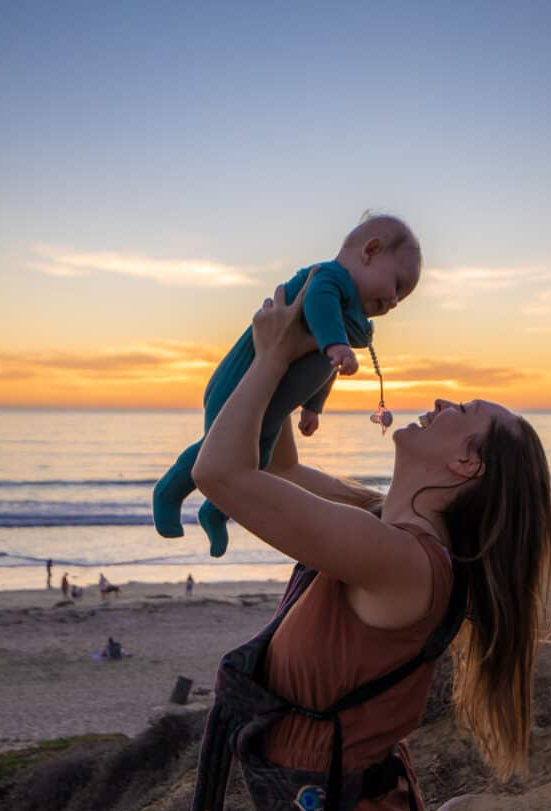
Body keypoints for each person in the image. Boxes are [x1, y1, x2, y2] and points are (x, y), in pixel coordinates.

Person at [190, 274, 551, 811]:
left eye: (459, 413)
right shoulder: (380, 523)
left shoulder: (398, 561)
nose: (438, 403)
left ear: (464, 467)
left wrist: (269, 358)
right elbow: (276, 470)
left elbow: (220, 474)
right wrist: (299, 369)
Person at [153, 214, 422, 556]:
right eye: (397, 285)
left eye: (404, 297)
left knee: (256, 463)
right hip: (239, 387)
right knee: (214, 450)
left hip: (273, 404)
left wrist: (314, 405)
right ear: (370, 250)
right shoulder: (328, 280)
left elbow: (326, 367)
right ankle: (167, 493)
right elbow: (318, 307)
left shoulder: (346, 321)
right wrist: (336, 344)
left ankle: (217, 511)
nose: (396, 302)